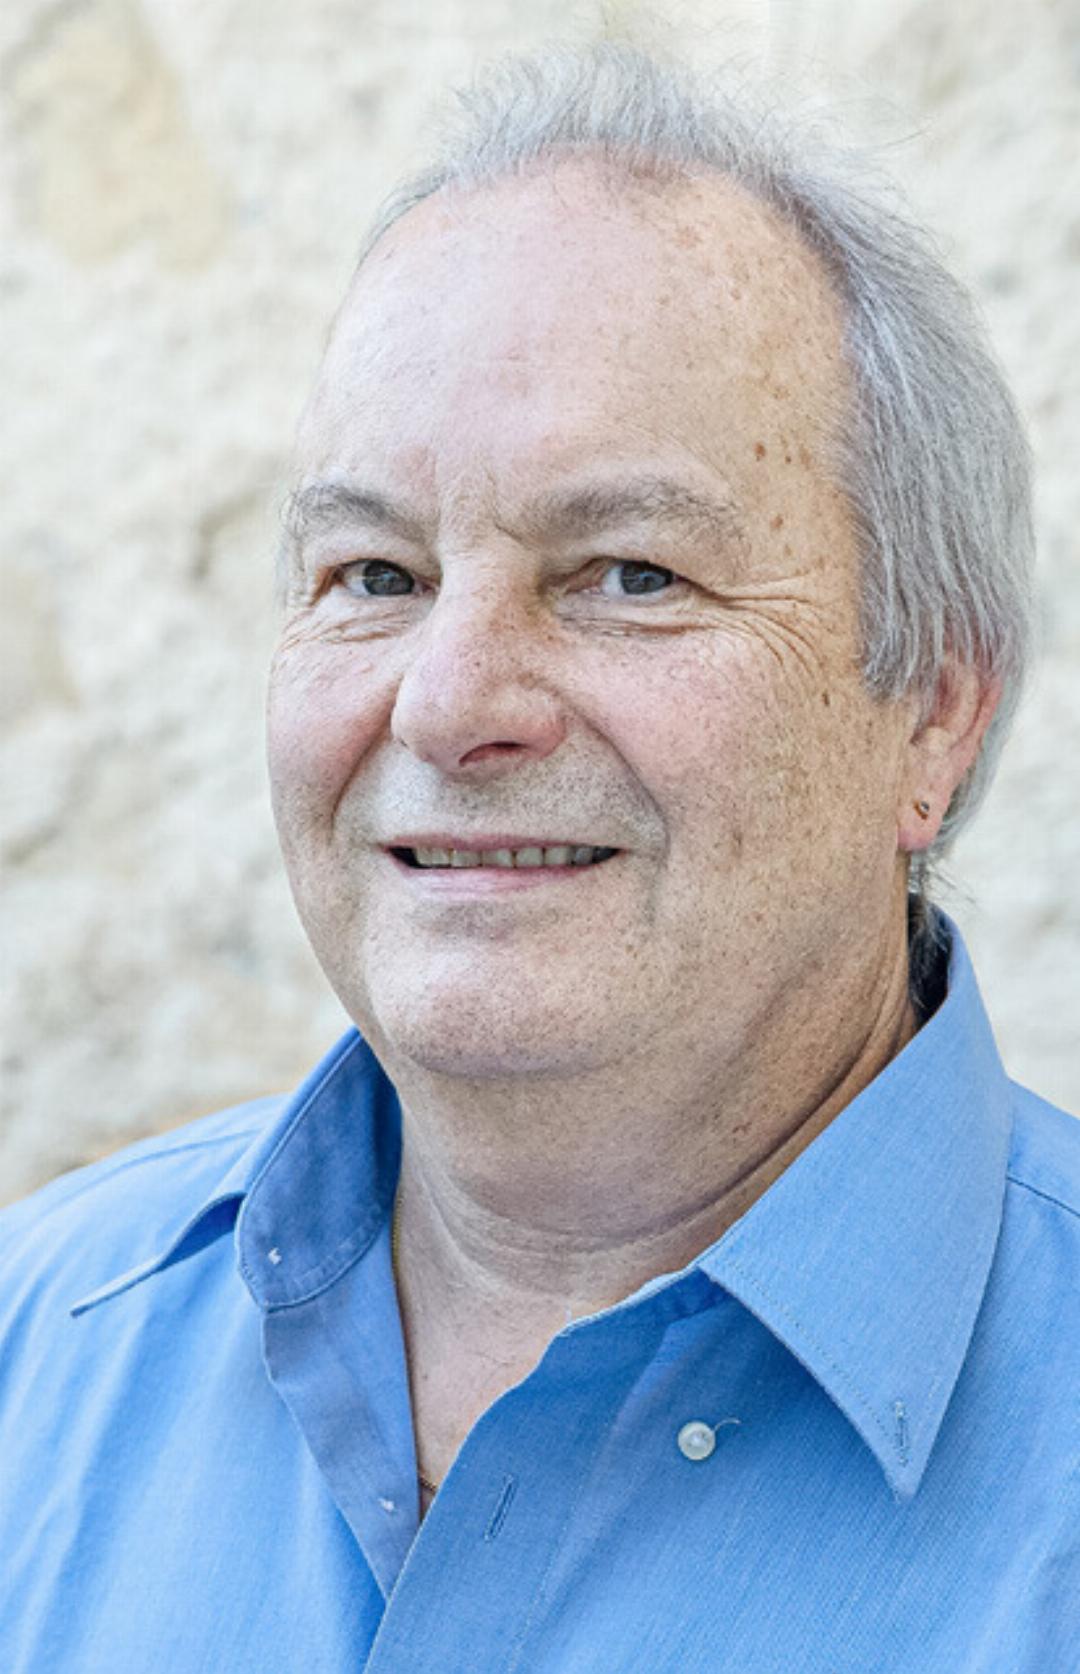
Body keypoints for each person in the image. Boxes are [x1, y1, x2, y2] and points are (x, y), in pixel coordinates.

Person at [1, 40, 1076, 1673]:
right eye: (374, 574)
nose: (449, 705)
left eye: (630, 574)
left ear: (931, 710)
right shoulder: (40, 1352)